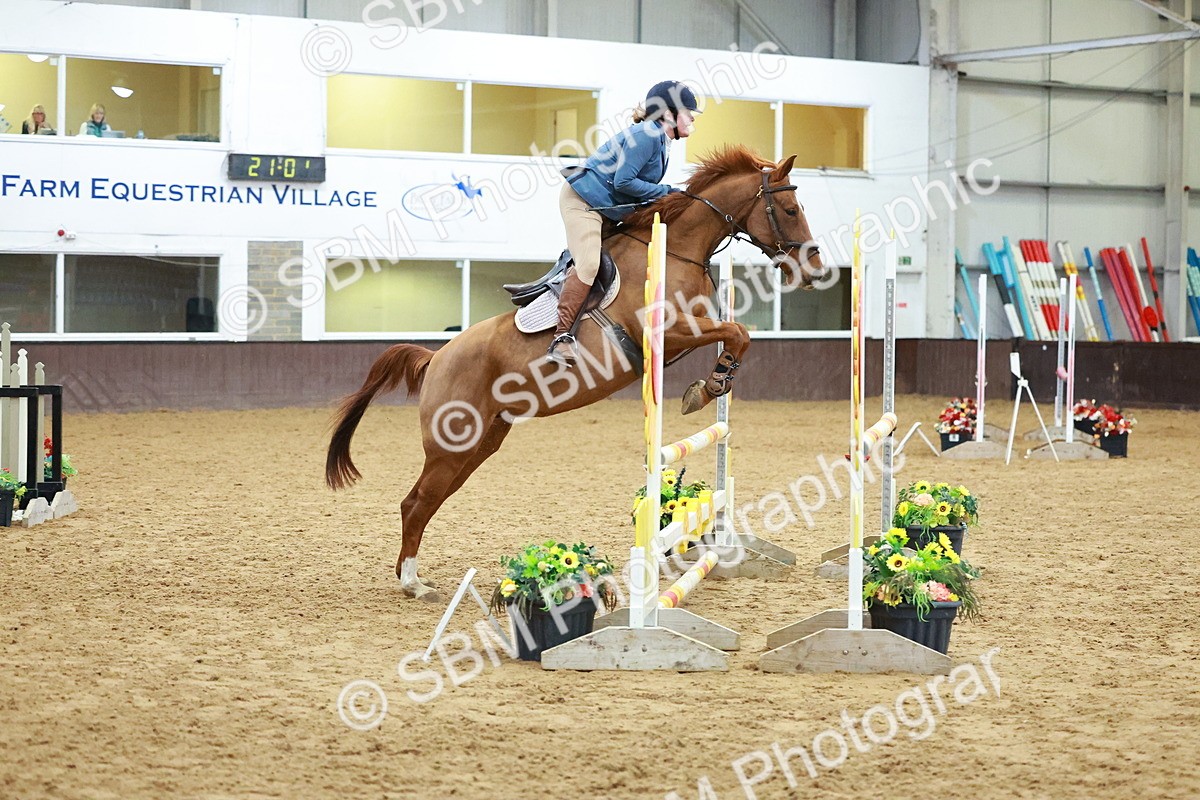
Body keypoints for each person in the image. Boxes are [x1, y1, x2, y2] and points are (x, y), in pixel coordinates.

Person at [547, 80, 699, 366]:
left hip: (606, 207)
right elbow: (624, 182)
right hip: (584, 202)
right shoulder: (647, 135)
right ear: (668, 114)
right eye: (687, 112)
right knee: (589, 264)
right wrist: (668, 192)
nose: (692, 118)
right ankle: (561, 337)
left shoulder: (659, 139)